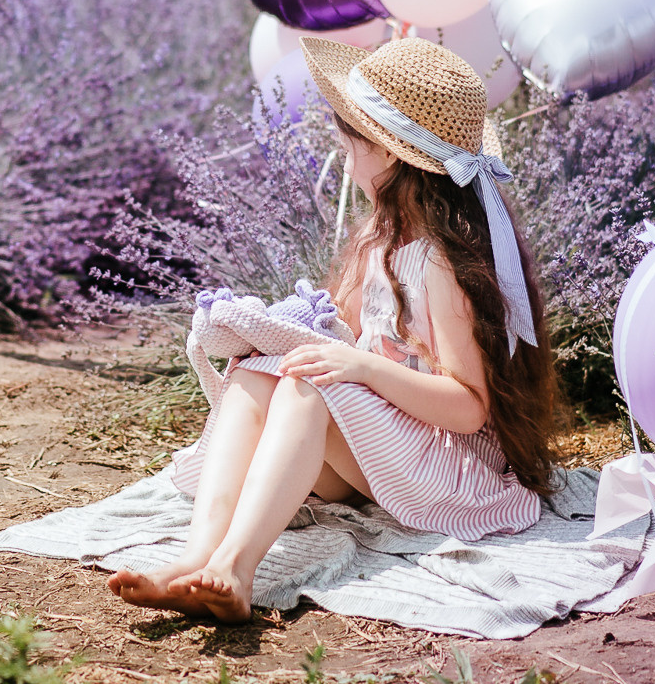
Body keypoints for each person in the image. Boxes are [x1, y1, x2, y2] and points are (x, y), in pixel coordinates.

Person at [110, 36, 569, 621]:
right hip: (385, 455)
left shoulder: (442, 264)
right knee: (258, 373)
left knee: (309, 388)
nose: (344, 159)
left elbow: (468, 408)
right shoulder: (380, 238)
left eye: (351, 145)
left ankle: (236, 569)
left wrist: (360, 368)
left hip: (446, 465)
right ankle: (198, 554)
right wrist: (275, 328)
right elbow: (345, 333)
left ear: (390, 154)